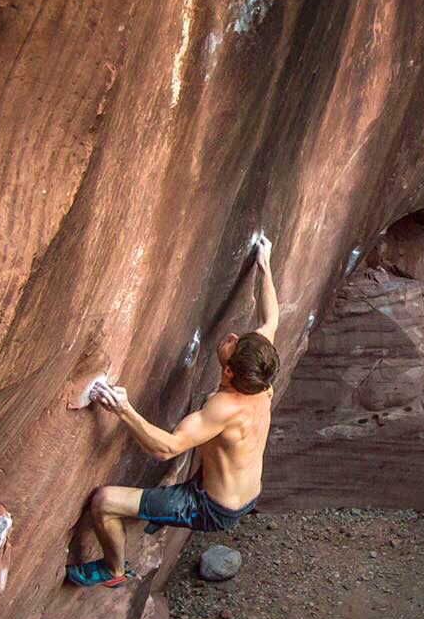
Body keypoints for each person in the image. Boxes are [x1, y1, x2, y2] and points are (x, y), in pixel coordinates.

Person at [66, 239, 281, 588]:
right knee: (205, 462)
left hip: (212, 506)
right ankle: (161, 510)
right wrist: (265, 265)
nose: (230, 337)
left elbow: (165, 448)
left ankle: (113, 570)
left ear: (228, 374)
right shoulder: (261, 377)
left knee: (104, 501)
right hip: (246, 491)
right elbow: (272, 317)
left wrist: (123, 410)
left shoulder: (223, 408)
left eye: (233, 343)